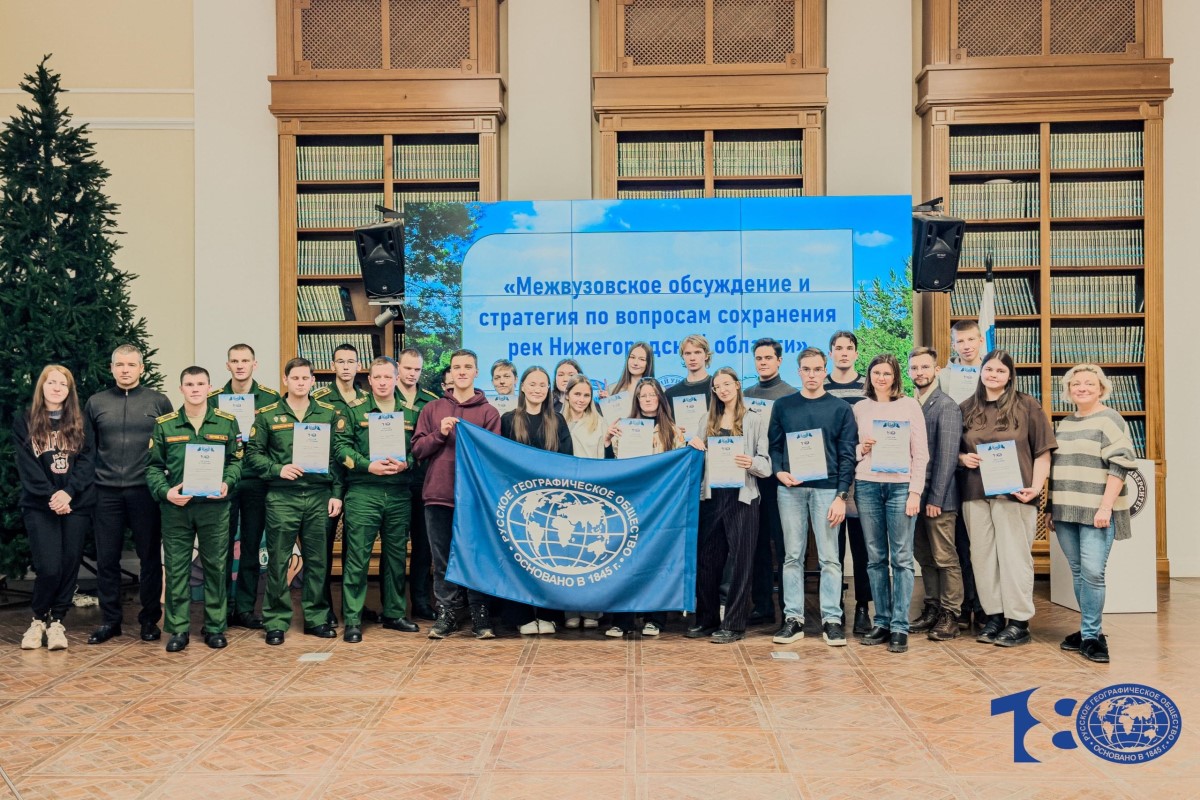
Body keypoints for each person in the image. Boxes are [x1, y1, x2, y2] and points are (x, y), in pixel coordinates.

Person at [958, 349, 1056, 647]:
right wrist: (963, 458)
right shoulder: (966, 407)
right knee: (983, 558)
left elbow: (1043, 451)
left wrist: (1037, 487)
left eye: (1000, 371)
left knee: (1014, 558)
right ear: (981, 371)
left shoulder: (1027, 406)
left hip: (1015, 493)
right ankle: (995, 617)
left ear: (1010, 376)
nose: (993, 375)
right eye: (989, 369)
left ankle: (1019, 622)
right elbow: (954, 450)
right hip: (974, 493)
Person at [246, 358, 345, 644]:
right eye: (295, 378)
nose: (301, 383)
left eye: (306, 378)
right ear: (285, 380)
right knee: (278, 560)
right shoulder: (267, 415)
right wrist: (278, 469)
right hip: (282, 496)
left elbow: (337, 458)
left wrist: (337, 494)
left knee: (317, 560)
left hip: (318, 496)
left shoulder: (327, 414)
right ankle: (276, 621)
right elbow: (253, 454)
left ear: (313, 381)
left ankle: (315, 618)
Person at [147, 366, 244, 652]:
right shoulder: (165, 424)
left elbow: (237, 460)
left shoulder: (226, 422)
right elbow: (153, 467)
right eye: (189, 384)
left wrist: (227, 483)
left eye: (200, 383)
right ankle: (178, 629)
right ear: (181, 389)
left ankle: (215, 627)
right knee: (177, 569)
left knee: (216, 567)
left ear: (209, 387)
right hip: (177, 508)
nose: (195, 389)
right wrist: (165, 492)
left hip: (215, 507)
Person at [84, 344, 174, 644]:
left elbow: (171, 445)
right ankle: (110, 620)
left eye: (131, 365)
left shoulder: (159, 401)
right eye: (119, 365)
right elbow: (87, 450)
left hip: (145, 491)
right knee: (107, 558)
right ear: (111, 368)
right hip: (105, 492)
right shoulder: (96, 403)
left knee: (149, 557)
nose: (125, 370)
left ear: (141, 368)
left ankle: (149, 620)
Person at [768, 347, 857, 647]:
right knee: (791, 555)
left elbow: (847, 456)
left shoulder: (840, 409)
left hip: (828, 491)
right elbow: (775, 447)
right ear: (799, 371)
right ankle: (793, 619)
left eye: (817, 369)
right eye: (806, 369)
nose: (812, 375)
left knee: (830, 558)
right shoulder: (783, 406)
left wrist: (841, 496)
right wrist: (779, 472)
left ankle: (832, 619)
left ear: (825, 370)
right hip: (790, 489)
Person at [411, 349, 502, 639]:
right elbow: (418, 450)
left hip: (474, 499)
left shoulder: (489, 413)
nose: (461, 372)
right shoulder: (433, 409)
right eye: (456, 367)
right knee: (442, 559)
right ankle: (447, 614)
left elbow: (493, 456)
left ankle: (479, 615)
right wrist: (439, 434)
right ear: (450, 373)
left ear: (477, 373)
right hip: (438, 495)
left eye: (467, 367)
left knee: (476, 556)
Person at [1049, 364, 1137, 663]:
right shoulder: (1064, 423)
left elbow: (1121, 465)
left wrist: (1105, 507)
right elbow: (1057, 469)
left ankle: (1093, 637)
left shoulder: (1111, 419)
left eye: (1089, 383)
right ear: (1068, 390)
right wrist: (1050, 508)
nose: (1082, 388)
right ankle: (1088, 631)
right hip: (1064, 511)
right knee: (1078, 572)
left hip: (1097, 511)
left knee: (1093, 573)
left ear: (1101, 388)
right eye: (1076, 384)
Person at [332, 356, 424, 642]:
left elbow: (420, 450)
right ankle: (353, 619)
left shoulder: (410, 414)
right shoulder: (353, 409)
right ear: (369, 380)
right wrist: (365, 465)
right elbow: (340, 448)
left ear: (397, 379)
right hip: (364, 491)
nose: (383, 382)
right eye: (378, 377)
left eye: (388, 377)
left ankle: (395, 613)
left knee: (396, 557)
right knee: (357, 557)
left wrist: (407, 463)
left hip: (399, 492)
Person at [686, 367, 771, 644]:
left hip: (742, 497)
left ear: (737, 385)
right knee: (708, 561)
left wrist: (752, 463)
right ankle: (707, 619)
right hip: (712, 497)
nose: (722, 390)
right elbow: (696, 460)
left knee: (741, 563)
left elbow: (766, 464)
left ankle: (734, 624)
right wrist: (693, 445)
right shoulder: (705, 419)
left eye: (727, 384)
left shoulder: (755, 419)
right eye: (717, 386)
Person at [14, 365, 95, 651]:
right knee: (49, 566)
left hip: (77, 503)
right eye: (52, 382)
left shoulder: (81, 420)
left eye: (63, 383)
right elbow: (26, 464)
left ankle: (57, 621)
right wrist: (52, 495)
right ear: (43, 387)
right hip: (40, 504)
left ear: (69, 390)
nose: (57, 387)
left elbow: (87, 461)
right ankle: (38, 620)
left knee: (69, 564)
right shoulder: (25, 419)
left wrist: (68, 493)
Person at [852, 354, 929, 654]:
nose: (881, 378)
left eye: (886, 373)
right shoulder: (860, 408)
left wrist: (915, 493)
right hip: (867, 485)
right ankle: (881, 621)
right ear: (869, 376)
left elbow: (920, 454)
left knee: (901, 557)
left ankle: (899, 625)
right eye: (875, 373)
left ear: (896, 377)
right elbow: (852, 452)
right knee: (874, 557)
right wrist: (862, 448)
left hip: (900, 489)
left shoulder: (909, 405)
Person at [604, 377, 684, 636]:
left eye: (652, 395)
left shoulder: (673, 430)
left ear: (660, 398)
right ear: (637, 400)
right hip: (630, 502)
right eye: (642, 396)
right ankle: (622, 621)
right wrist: (607, 442)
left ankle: (655, 619)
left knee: (657, 561)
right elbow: (612, 465)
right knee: (624, 560)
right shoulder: (624, 428)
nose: (648, 399)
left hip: (661, 505)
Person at [208, 343, 279, 630]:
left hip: (256, 480)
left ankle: (247, 609)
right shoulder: (214, 399)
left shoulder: (271, 398)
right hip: (223, 479)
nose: (240, 366)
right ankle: (221, 610)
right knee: (220, 547)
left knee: (251, 545)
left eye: (245, 360)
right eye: (234, 361)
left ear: (254, 364)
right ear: (227, 365)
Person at [501, 366, 573, 634]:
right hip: (519, 504)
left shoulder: (558, 421)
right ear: (522, 386)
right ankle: (520, 616)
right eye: (532, 384)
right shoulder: (508, 419)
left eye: (542, 385)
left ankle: (549, 614)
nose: (537, 389)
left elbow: (567, 460)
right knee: (520, 557)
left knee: (549, 557)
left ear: (548, 390)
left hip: (552, 503)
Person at [907, 347, 965, 642]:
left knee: (945, 558)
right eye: (914, 368)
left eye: (924, 367)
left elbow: (947, 457)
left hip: (938, 499)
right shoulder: (908, 404)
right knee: (925, 557)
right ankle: (931, 608)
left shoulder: (946, 406)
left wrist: (936, 500)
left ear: (936, 369)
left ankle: (950, 614)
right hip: (914, 497)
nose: (919, 373)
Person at [312, 343, 370, 626]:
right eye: (340, 361)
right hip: (329, 480)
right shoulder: (320, 399)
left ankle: (353, 607)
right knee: (322, 547)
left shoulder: (367, 400)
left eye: (351, 361)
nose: (346, 366)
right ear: (332, 365)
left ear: (359, 366)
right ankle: (325, 609)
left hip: (359, 479)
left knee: (355, 547)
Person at [938, 319, 987, 630]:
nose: (966, 346)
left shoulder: (995, 370)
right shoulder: (944, 377)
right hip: (953, 469)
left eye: (971, 339)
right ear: (953, 344)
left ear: (981, 340)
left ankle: (985, 607)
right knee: (960, 543)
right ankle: (964, 604)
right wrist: (956, 456)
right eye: (960, 341)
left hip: (987, 471)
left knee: (983, 543)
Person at [824, 330, 873, 634]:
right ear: (831, 353)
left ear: (856, 354)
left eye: (849, 348)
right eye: (838, 348)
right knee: (834, 546)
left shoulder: (868, 389)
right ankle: (836, 607)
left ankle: (863, 608)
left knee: (862, 545)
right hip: (831, 478)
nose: (844, 353)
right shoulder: (822, 388)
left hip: (863, 477)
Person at [744, 337, 796, 625]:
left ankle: (789, 608)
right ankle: (762, 605)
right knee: (758, 543)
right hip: (753, 479)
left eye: (768, 358)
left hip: (780, 480)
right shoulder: (746, 394)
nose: (762, 362)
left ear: (779, 360)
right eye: (758, 358)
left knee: (786, 545)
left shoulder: (790, 395)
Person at [395, 349, 441, 621]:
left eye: (417, 370)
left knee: (423, 547)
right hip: (395, 481)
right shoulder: (386, 398)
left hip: (423, 481)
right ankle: (395, 604)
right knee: (396, 546)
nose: (412, 373)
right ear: (398, 367)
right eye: (407, 368)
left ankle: (422, 602)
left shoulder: (431, 403)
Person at [560, 374, 604, 628]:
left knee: (590, 551)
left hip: (590, 495)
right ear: (567, 395)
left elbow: (602, 457)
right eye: (577, 394)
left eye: (586, 395)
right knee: (567, 552)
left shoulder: (598, 422)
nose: (581, 399)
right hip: (564, 495)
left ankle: (592, 611)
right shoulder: (556, 420)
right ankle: (569, 610)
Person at [664, 335, 714, 439]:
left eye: (697, 352)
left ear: (706, 355)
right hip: (684, 451)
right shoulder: (671, 393)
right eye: (688, 353)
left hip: (713, 449)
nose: (692, 358)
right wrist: (672, 429)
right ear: (683, 356)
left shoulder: (717, 388)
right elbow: (665, 426)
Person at [605, 341, 655, 414]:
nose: (635, 363)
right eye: (632, 357)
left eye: (641, 359)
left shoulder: (658, 389)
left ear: (648, 363)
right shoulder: (612, 389)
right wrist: (605, 404)